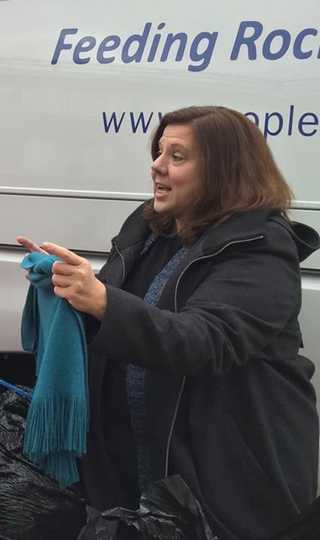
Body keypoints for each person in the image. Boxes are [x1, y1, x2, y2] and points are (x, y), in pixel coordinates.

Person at [18, 106, 319, 540]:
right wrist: (63, 288)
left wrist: (102, 301)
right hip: (139, 473)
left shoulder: (262, 250)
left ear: (224, 172)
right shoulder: (151, 230)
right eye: (159, 152)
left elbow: (205, 340)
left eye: (177, 156)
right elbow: (115, 319)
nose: (156, 165)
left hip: (223, 478)